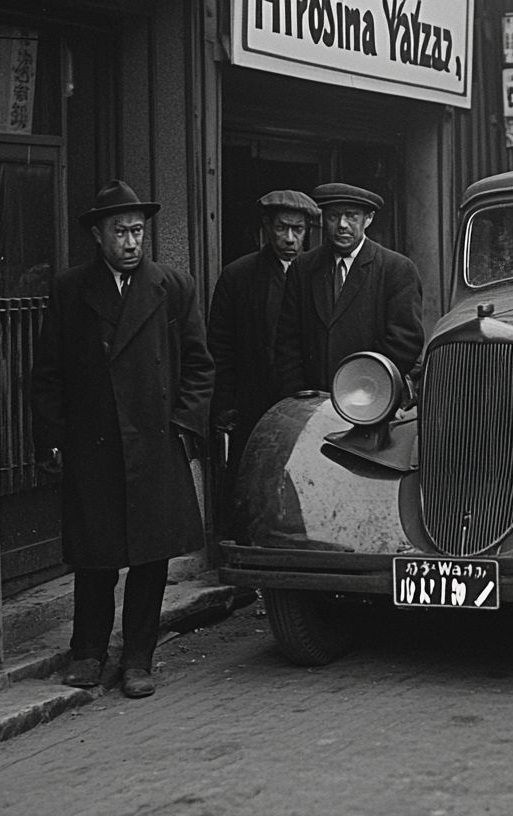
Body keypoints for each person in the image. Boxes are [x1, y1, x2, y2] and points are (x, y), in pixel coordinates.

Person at [32, 180, 213, 699]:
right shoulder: (70, 289)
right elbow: (48, 371)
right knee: (96, 557)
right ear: (98, 235)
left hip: (155, 445)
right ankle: (87, 652)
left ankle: (138, 657)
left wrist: (182, 427)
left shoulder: (173, 286)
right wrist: (52, 437)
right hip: (94, 444)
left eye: (137, 231)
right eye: (121, 232)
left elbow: (200, 366)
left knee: (151, 560)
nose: (132, 242)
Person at [207, 190, 320, 504]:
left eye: (297, 230)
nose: (289, 238)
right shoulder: (238, 276)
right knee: (253, 487)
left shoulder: (319, 274)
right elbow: (221, 345)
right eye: (282, 228)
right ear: (267, 227)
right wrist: (225, 402)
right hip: (254, 401)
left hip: (306, 399)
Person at [274, 182, 424, 395]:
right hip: (312, 402)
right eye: (333, 216)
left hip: (371, 400)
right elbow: (287, 341)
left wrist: (362, 388)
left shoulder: (396, 269)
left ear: (368, 219)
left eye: (351, 216)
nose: (342, 225)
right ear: (323, 219)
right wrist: (300, 394)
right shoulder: (303, 268)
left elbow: (405, 342)